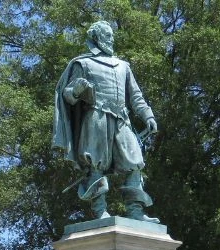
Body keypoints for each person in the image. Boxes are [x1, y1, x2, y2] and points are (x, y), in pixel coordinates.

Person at [53, 20, 159, 222]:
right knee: (95, 164)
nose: (112, 39)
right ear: (97, 38)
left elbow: (135, 96)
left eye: (112, 35)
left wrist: (148, 115)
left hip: (122, 120)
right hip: (96, 118)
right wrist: (75, 91)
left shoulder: (123, 66)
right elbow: (67, 96)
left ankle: (136, 212)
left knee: (135, 163)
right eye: (108, 35)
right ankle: (100, 211)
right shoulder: (83, 64)